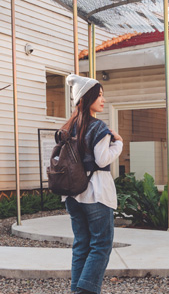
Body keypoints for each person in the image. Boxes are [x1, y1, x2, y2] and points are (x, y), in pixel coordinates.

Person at [61, 74, 123, 294]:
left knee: (81, 245)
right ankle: (85, 292)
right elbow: (102, 159)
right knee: (101, 245)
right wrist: (119, 143)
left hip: (72, 195)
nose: (103, 100)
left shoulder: (68, 127)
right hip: (95, 194)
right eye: (99, 95)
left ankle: (77, 290)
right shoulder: (97, 127)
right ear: (87, 99)